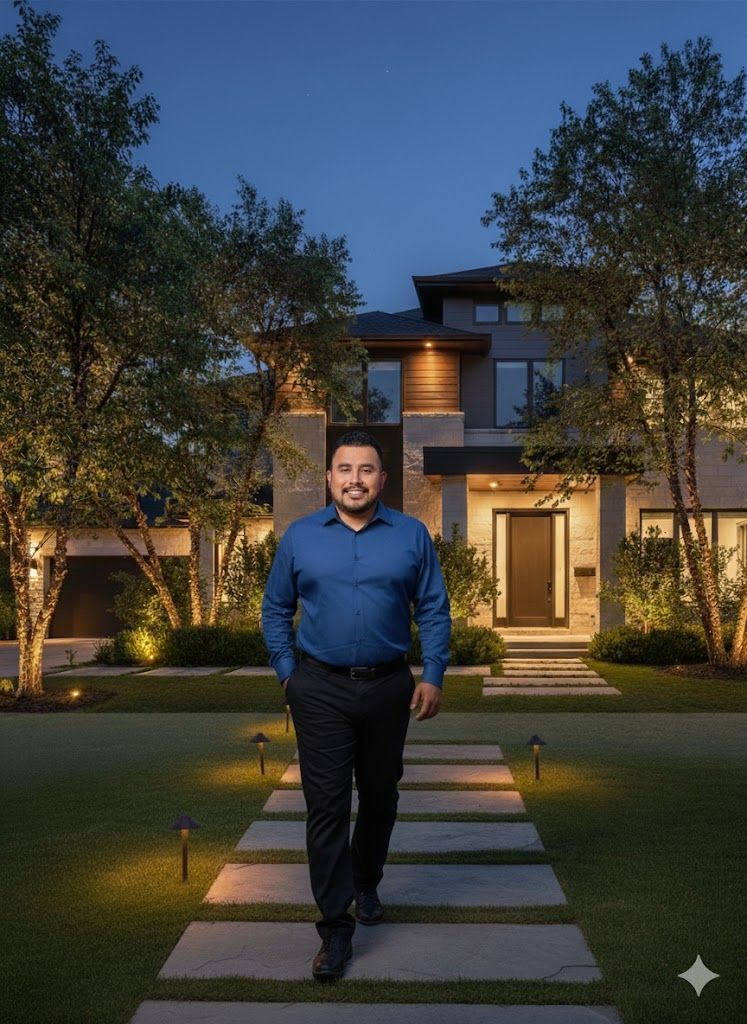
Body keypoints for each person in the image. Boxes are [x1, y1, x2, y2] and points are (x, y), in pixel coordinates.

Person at [261, 429, 451, 981]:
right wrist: (288, 676)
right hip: (319, 688)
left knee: (380, 796)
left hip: (389, 686)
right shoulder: (300, 538)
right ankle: (335, 929)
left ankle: (367, 882)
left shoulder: (411, 536)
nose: (355, 479)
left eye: (366, 469)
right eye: (345, 469)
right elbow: (275, 609)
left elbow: (433, 609)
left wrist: (433, 673)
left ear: (382, 479)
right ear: (329, 478)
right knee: (325, 806)